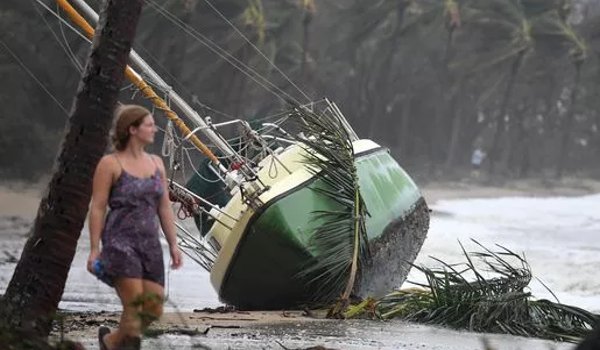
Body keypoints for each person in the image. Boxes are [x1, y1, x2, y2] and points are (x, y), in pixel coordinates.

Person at [87, 104, 182, 350]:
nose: (155, 129)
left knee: (152, 309)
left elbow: (164, 207)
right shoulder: (110, 164)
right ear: (132, 129)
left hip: (150, 244)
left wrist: (173, 244)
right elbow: (97, 207)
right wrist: (94, 248)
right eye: (149, 125)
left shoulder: (156, 164)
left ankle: (110, 341)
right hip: (120, 242)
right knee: (135, 306)